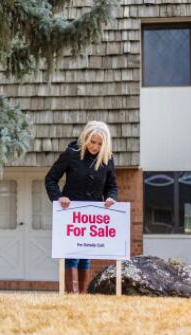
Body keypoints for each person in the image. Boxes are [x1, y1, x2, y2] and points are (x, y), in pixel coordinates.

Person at [44, 120, 118, 294]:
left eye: (99, 144)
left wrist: (110, 198)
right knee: (73, 256)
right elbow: (50, 179)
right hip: (71, 214)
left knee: (85, 257)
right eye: (92, 142)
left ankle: (82, 296)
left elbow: (112, 186)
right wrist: (58, 197)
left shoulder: (107, 159)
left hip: (93, 217)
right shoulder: (71, 154)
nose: (95, 146)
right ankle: (72, 295)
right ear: (85, 138)